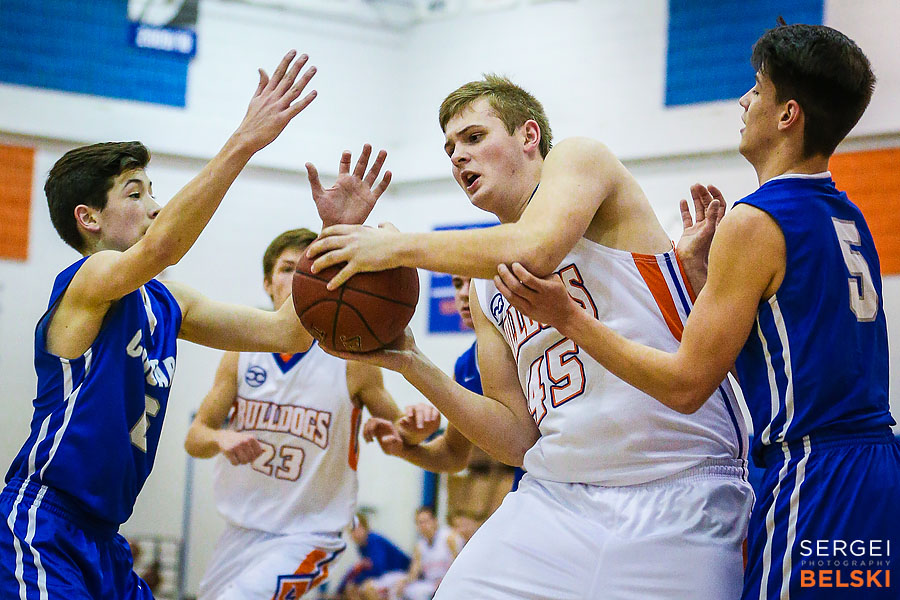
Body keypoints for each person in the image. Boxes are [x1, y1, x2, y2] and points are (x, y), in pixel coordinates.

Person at [306, 75, 752, 599]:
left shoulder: (582, 160)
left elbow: (535, 248)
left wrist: (396, 249)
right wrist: (411, 360)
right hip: (557, 498)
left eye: (473, 137)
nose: (458, 158)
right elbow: (517, 437)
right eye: (449, 149)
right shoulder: (481, 283)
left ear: (529, 136)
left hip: (680, 485)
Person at [495, 24, 900, 599]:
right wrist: (705, 279)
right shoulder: (848, 215)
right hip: (877, 472)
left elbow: (687, 385)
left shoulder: (756, 219)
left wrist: (570, 319)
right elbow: (787, 353)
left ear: (787, 114)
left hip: (814, 476)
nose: (744, 101)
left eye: (757, 90)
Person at [0, 50, 321, 599]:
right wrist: (244, 140)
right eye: (136, 193)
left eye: (153, 192)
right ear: (89, 218)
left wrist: (337, 239)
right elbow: (167, 242)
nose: (154, 206)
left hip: (106, 541)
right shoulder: (89, 278)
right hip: (42, 525)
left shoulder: (169, 300)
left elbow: (287, 333)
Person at [185, 229, 438, 600]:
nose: (300, 278)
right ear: (268, 283)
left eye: (309, 270)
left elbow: (402, 437)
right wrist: (220, 437)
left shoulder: (352, 358)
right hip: (240, 532)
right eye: (289, 269)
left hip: (309, 534)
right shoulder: (240, 353)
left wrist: (418, 428)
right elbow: (195, 438)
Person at [338, 512, 410, 600]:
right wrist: (341, 589)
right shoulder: (362, 546)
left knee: (366, 588)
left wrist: (357, 582)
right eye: (351, 531)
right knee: (352, 588)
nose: (353, 534)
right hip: (389, 574)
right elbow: (358, 569)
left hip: (402, 572)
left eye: (354, 529)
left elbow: (378, 568)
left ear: (364, 527)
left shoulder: (373, 540)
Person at [395, 507, 460, 600]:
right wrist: (403, 582)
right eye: (419, 523)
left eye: (426, 521)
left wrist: (446, 581)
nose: (423, 525)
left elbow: (459, 565)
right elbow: (413, 573)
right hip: (430, 585)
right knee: (401, 590)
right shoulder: (419, 546)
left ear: (435, 521)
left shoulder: (449, 538)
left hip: (449, 583)